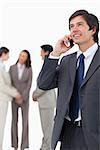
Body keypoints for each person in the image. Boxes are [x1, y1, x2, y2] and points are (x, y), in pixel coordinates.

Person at [37, 10, 100, 150]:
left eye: (79, 24)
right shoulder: (66, 61)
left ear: (93, 29)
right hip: (67, 134)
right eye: (71, 26)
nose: (74, 29)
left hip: (94, 136)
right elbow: (44, 83)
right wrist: (55, 54)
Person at [32, 44, 56, 150]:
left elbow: (44, 84)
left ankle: (48, 147)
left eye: (41, 51)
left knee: (48, 128)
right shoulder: (46, 64)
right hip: (45, 102)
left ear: (46, 52)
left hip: (47, 102)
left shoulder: (48, 65)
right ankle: (44, 146)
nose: (40, 53)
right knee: (46, 127)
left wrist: (35, 94)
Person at [9, 50, 32, 150]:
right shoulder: (12, 68)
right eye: (21, 55)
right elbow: (9, 83)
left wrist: (22, 97)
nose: (22, 57)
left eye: (24, 56)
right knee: (14, 121)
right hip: (14, 98)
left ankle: (24, 145)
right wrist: (16, 95)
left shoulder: (29, 69)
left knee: (25, 121)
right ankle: (14, 145)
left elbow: (29, 84)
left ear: (27, 58)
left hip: (25, 99)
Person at [0, 47, 22, 150]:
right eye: (7, 54)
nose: (8, 56)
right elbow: (2, 86)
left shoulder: (2, 66)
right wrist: (16, 94)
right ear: (3, 54)